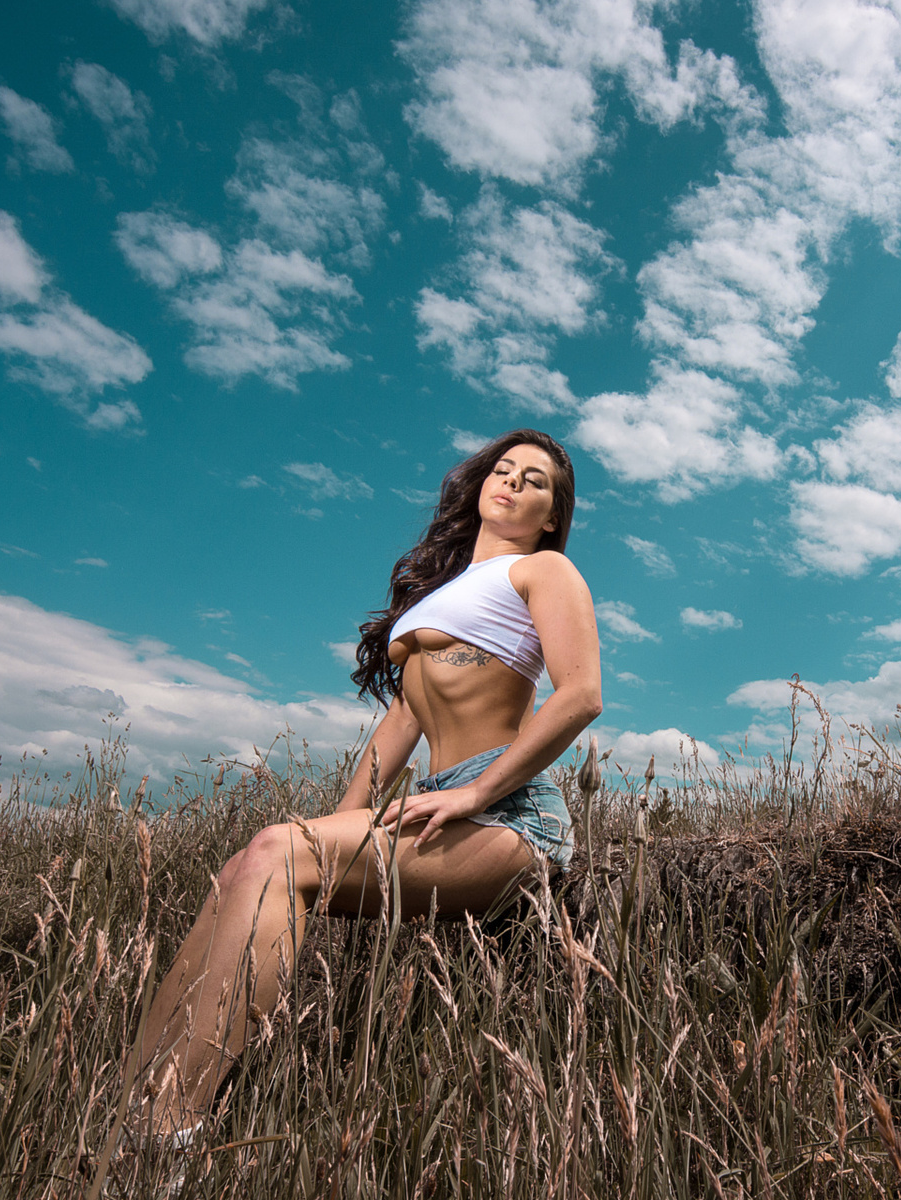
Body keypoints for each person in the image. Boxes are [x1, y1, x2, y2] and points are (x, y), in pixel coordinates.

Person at [117, 428, 602, 1150]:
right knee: (249, 867)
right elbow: (403, 719)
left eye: (534, 481)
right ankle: (129, 1117)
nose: (511, 483)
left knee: (278, 852)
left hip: (508, 810)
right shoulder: (443, 593)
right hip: (438, 793)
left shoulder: (544, 573)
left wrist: (473, 795)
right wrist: (341, 823)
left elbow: (580, 696)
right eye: (502, 470)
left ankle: (172, 1136)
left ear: (552, 517)